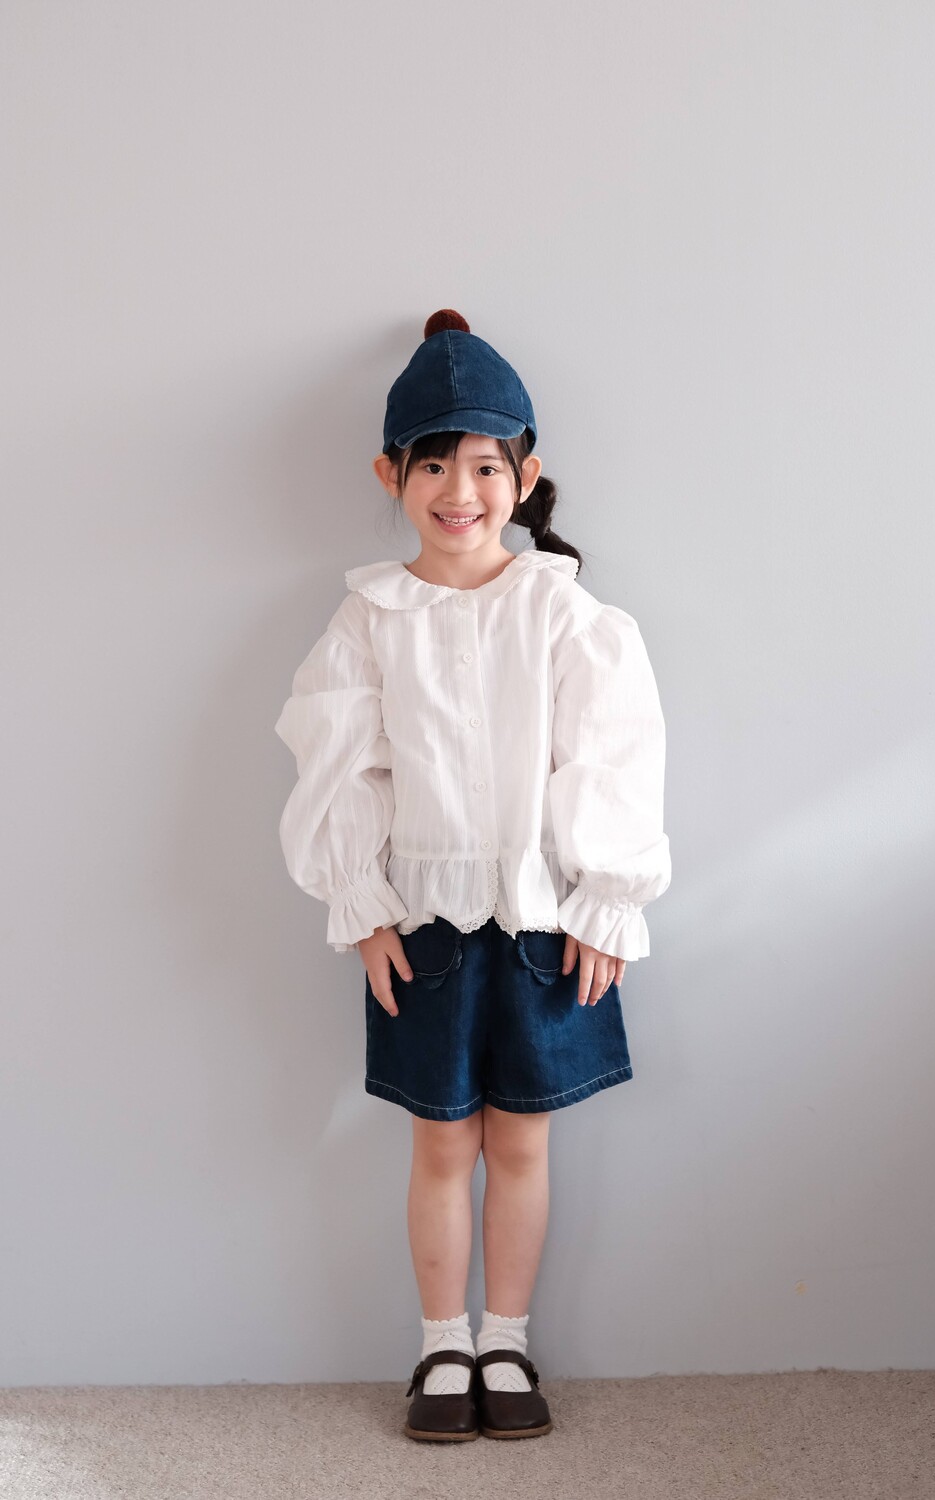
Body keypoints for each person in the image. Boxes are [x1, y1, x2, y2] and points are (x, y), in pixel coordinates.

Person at [274, 309, 672, 1442]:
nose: (461, 491)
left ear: (524, 476)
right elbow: (338, 765)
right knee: (442, 1140)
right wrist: (361, 907)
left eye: (487, 466)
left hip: (546, 921)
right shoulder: (369, 619)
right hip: (426, 924)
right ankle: (441, 1347)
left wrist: (607, 898)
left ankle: (508, 1338)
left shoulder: (564, 612)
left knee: (523, 1140)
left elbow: (613, 755)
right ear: (391, 475)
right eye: (435, 465)